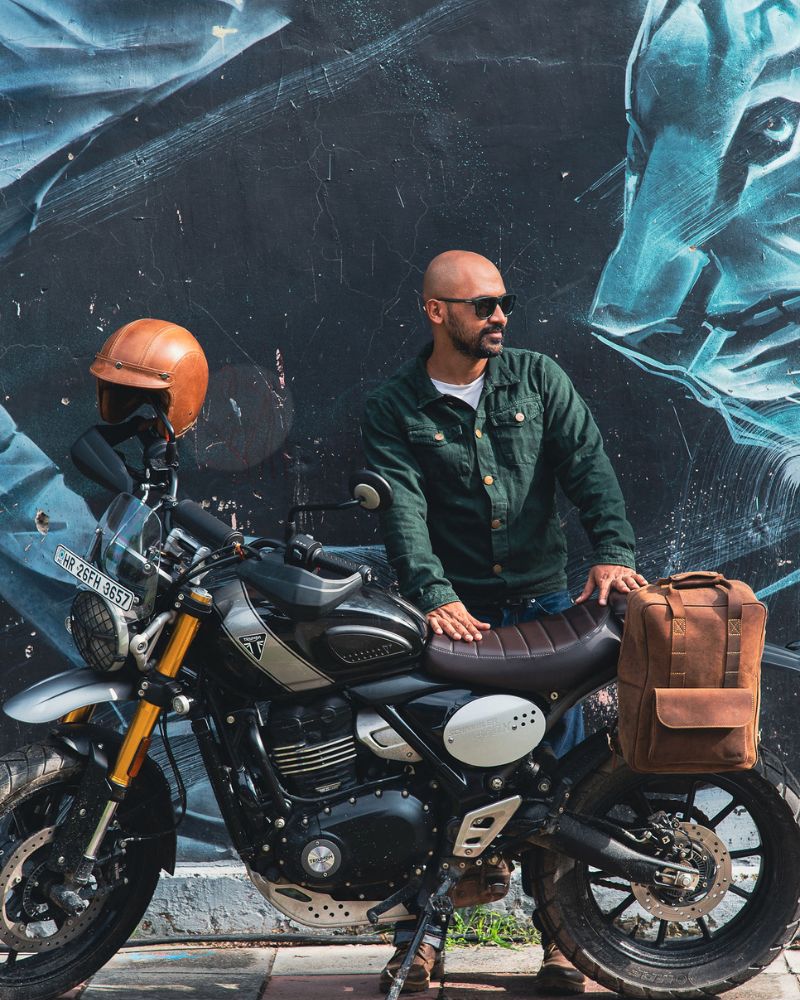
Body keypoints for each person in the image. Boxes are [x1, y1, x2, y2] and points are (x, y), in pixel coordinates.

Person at [361, 250, 646, 995]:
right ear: (436, 311)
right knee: (430, 773)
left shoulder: (537, 378)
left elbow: (590, 467)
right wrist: (432, 593)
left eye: (503, 303)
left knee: (563, 778)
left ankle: (565, 939)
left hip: (549, 614)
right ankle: (419, 939)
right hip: (458, 622)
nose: (498, 316)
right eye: (481, 304)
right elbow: (403, 509)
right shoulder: (395, 407)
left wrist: (613, 553)